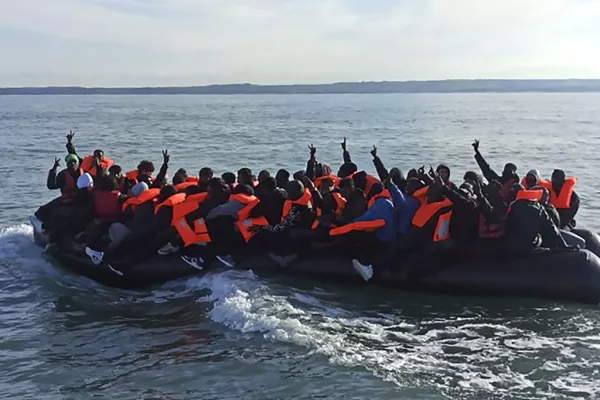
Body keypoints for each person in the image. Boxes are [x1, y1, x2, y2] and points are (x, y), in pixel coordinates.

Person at [505, 184, 568, 254]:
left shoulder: (508, 207)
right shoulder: (538, 208)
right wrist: (564, 246)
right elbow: (551, 229)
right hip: (527, 247)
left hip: (510, 246)